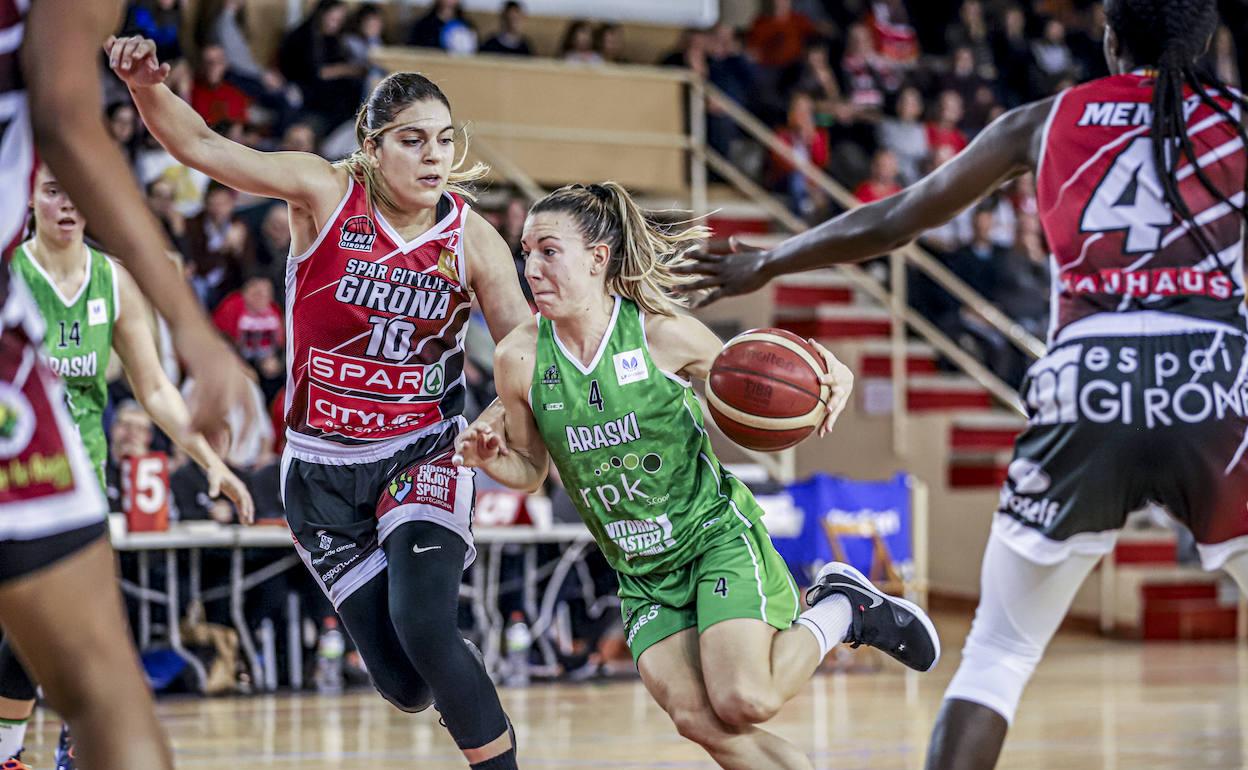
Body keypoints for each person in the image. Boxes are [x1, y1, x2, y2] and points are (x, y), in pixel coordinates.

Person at [676, 0, 1248, 767]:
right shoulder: (1237, 121)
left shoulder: (1046, 120)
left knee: (1000, 657)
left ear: (1110, 40)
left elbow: (898, 219)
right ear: (1206, 44)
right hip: (1212, 384)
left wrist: (768, 261)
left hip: (1089, 382)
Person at [109, 35, 533, 769]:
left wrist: (498, 416)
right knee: (404, 686)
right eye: (412, 140)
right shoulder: (325, 192)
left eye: (443, 141)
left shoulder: (473, 239)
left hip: (420, 450)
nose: (433, 157)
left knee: (425, 627)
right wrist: (147, 90)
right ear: (372, 146)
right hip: (320, 472)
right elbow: (204, 144)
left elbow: (522, 348)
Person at [454, 182, 939, 770]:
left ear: (598, 258)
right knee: (698, 720)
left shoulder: (662, 333)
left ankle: (843, 608)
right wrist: (491, 458)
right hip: (638, 569)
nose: (531, 266)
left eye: (548, 251)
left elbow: (761, 374)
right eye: (525, 251)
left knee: (745, 700)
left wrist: (826, 370)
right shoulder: (519, 357)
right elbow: (532, 471)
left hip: (711, 539)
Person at [0, 1, 253, 768]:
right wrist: (197, 330)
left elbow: (153, 390)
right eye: (53, 193)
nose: (66, 203)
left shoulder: (111, 281)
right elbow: (66, 114)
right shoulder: (23, 268)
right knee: (94, 684)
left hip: (66, 465)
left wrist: (210, 463)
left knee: (52, 660)